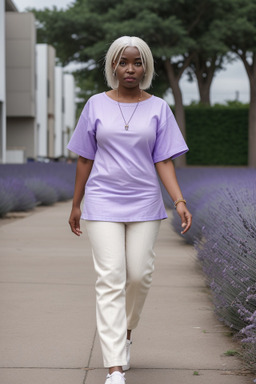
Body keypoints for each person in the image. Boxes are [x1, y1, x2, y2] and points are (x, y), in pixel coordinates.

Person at [67, 36, 192, 384]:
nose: (130, 69)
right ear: (112, 66)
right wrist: (76, 204)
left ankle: (126, 330)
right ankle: (114, 367)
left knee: (138, 275)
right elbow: (84, 157)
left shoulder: (158, 108)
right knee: (110, 278)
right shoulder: (94, 105)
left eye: (137, 62)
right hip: (102, 201)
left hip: (144, 204)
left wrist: (179, 201)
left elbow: (163, 159)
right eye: (123, 62)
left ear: (146, 67)